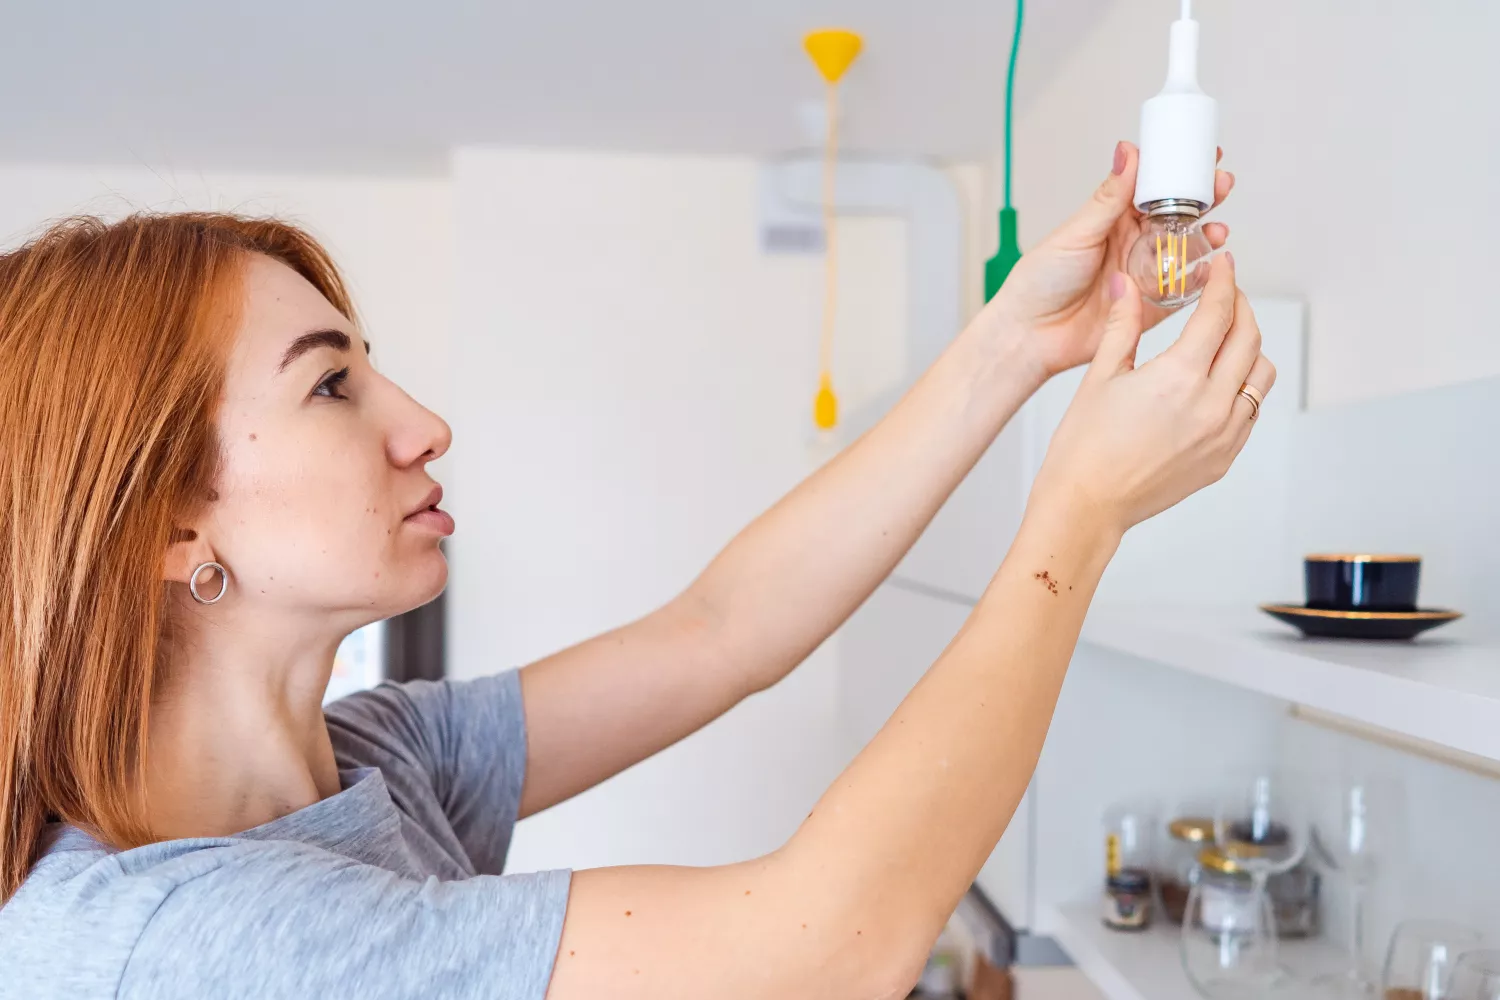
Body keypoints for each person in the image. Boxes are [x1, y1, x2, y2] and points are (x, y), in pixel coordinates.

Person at [0, 141, 1271, 999]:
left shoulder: (370, 759)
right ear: (173, 524)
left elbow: (722, 629)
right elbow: (821, 952)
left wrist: (1008, 349)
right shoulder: (180, 945)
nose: (421, 421)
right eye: (332, 384)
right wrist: (1084, 512)